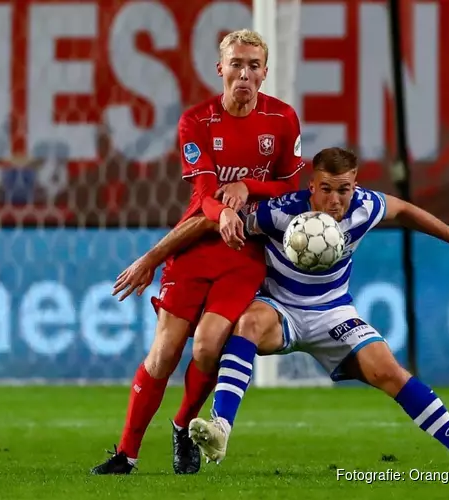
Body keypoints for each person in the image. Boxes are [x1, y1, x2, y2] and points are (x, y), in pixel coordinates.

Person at [118, 147, 449, 474]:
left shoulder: (365, 207)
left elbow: (403, 210)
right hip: (279, 307)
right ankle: (220, 428)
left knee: (390, 372)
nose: (336, 200)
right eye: (326, 190)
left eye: (344, 190)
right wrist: (151, 258)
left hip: (333, 312)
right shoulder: (281, 212)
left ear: (354, 186)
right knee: (247, 322)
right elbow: (207, 222)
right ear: (311, 187)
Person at [91, 29, 304, 475]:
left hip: (245, 253)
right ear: (220, 68)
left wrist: (247, 187)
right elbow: (205, 190)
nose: (244, 73)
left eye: (253, 65)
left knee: (208, 348)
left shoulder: (283, 119)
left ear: (265, 73)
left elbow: (289, 185)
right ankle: (126, 454)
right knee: (164, 354)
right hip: (194, 247)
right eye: (236, 64)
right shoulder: (197, 121)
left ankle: (183, 426)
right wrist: (221, 212)